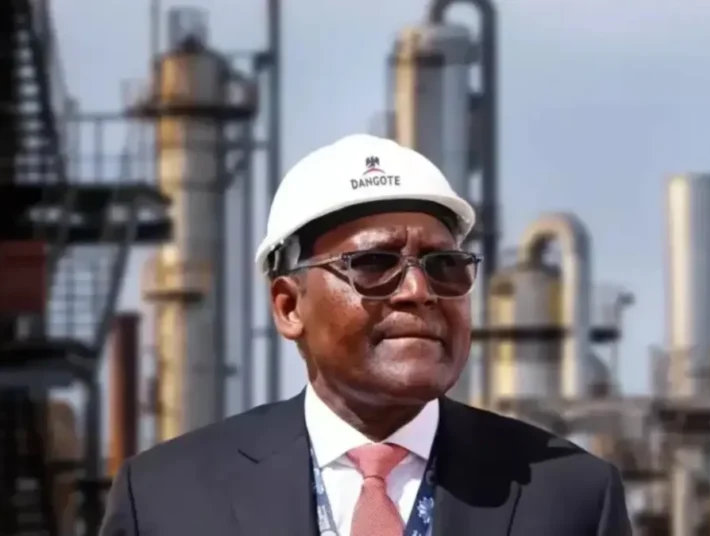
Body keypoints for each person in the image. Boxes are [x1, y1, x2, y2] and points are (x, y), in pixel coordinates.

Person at [100, 134, 631, 536]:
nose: (418, 291)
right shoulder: (169, 500)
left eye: (444, 265)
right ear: (289, 306)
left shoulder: (571, 497)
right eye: (374, 265)